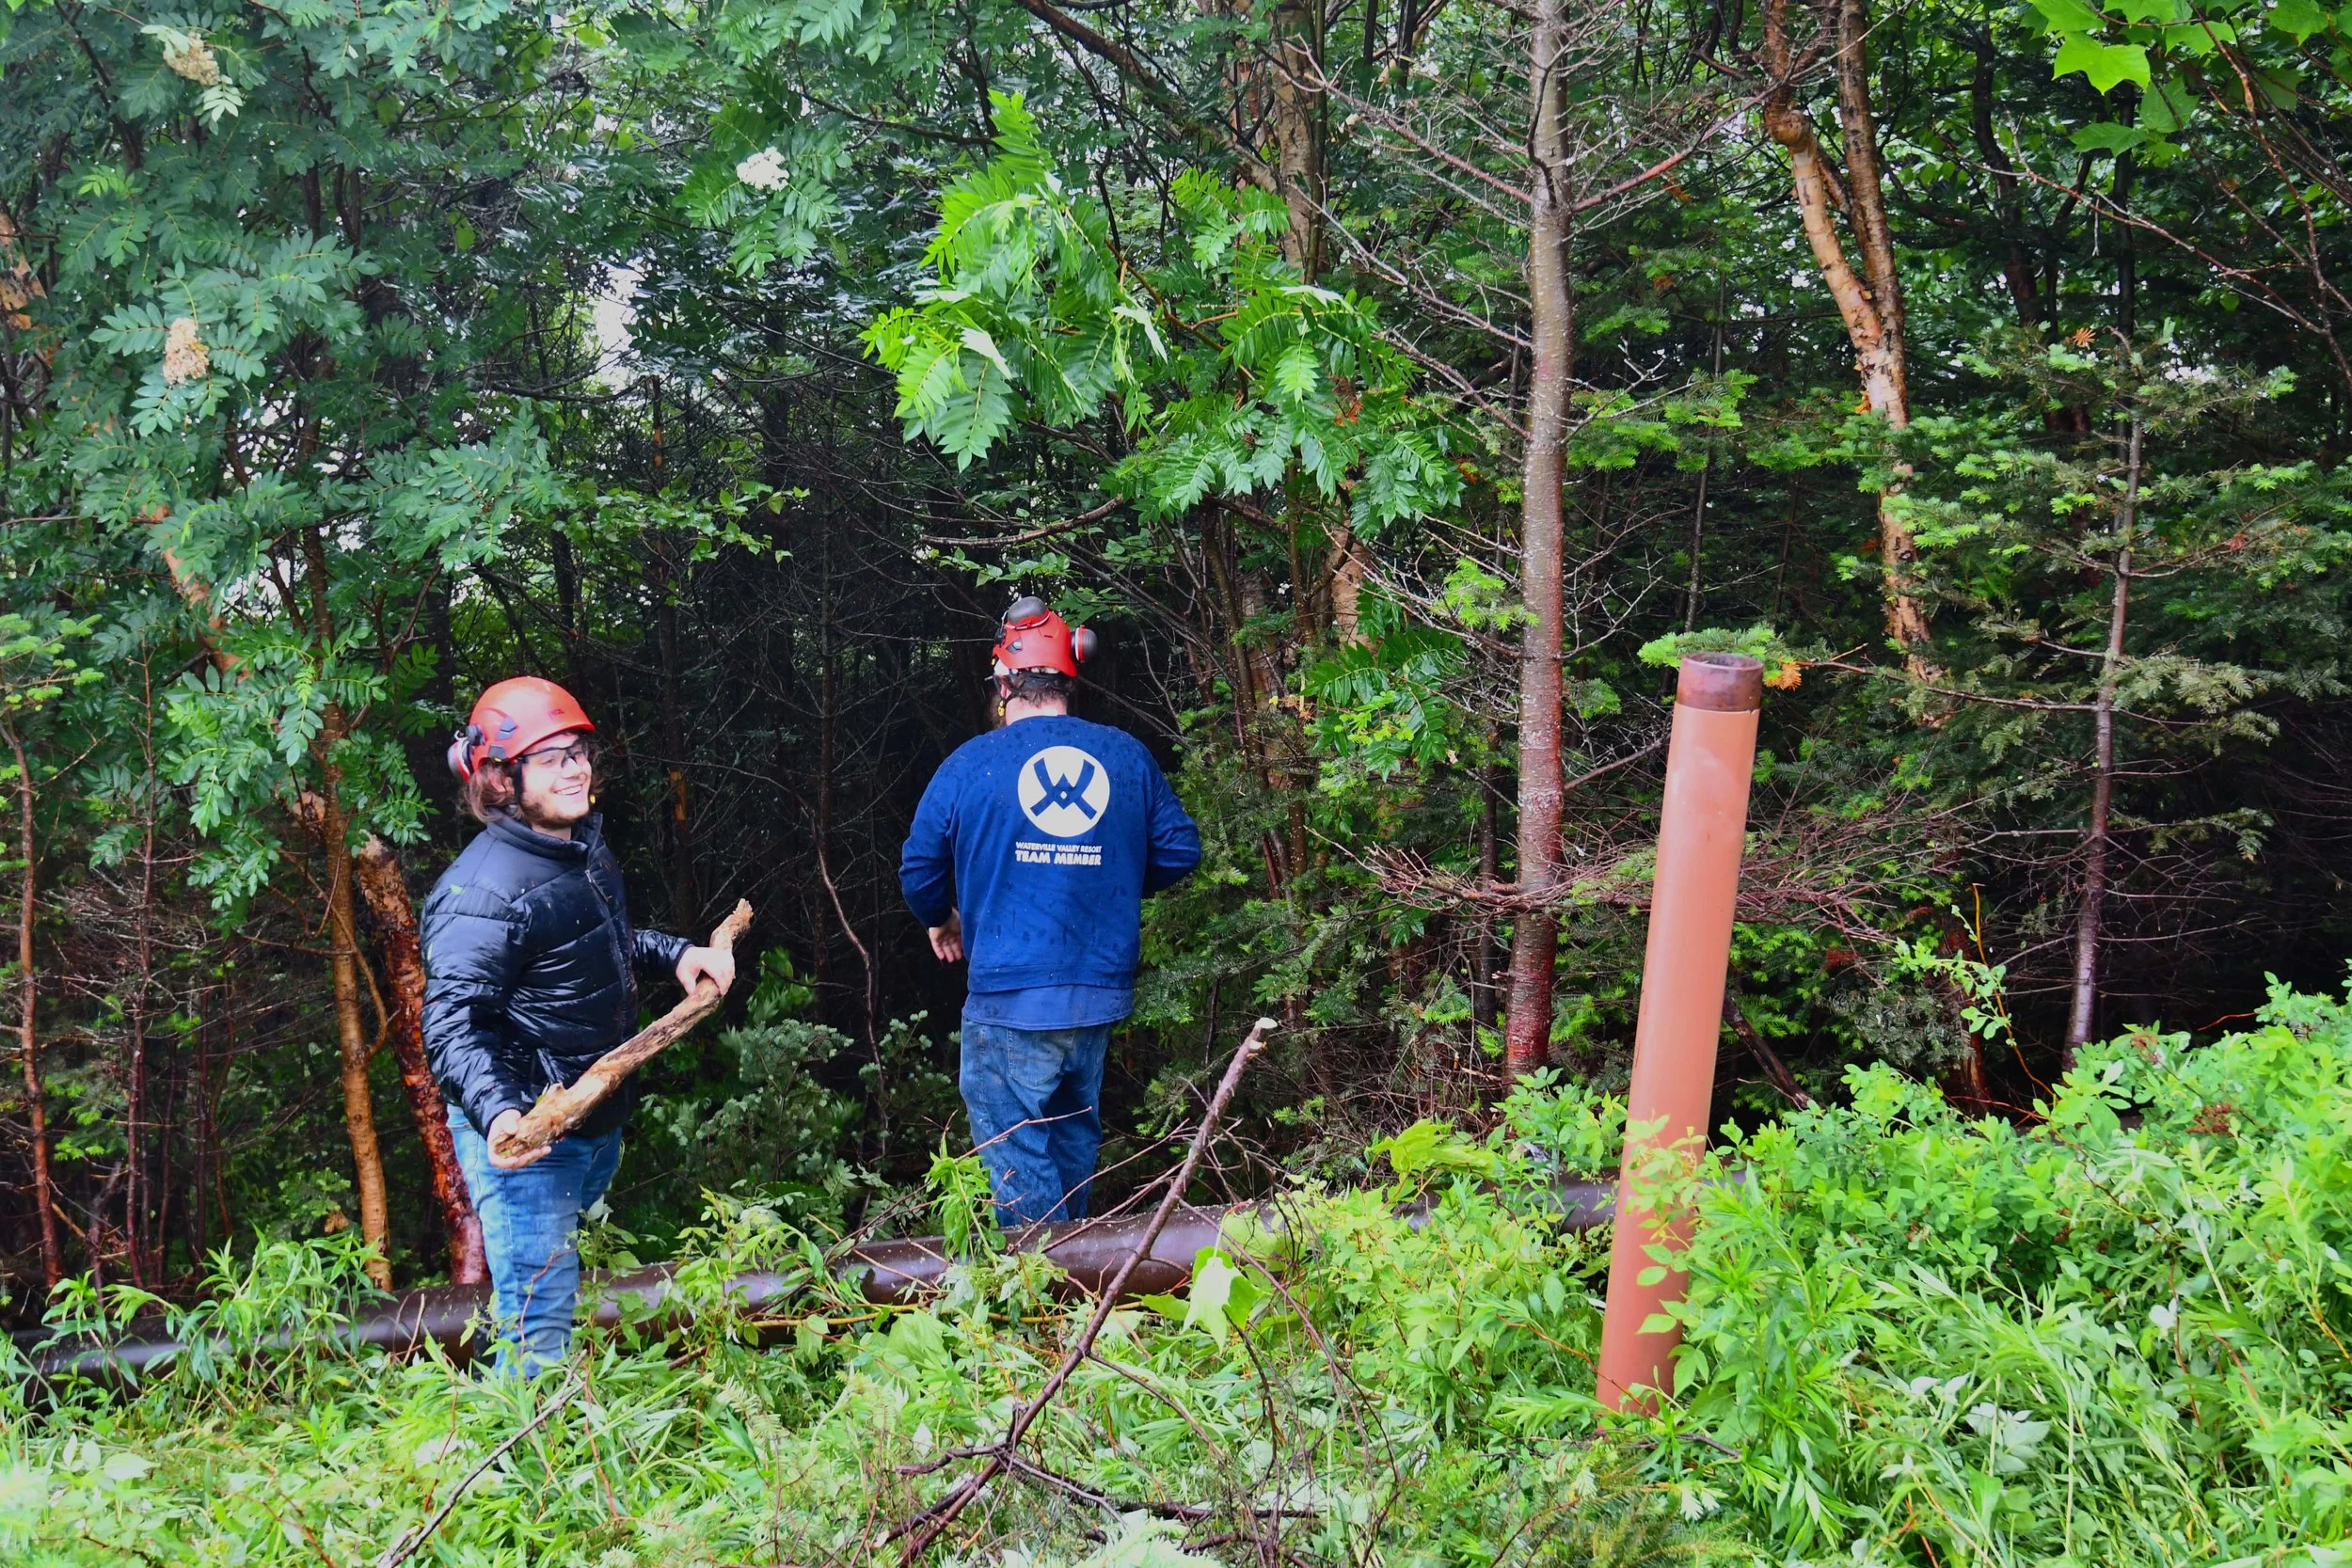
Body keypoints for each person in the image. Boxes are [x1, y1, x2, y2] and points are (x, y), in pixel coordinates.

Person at [421, 676, 735, 1373]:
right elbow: (451, 1025)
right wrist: (501, 1111)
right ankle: (517, 1469)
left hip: (593, 1123)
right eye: (552, 757)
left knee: (544, 1301)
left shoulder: (579, 847)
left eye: (578, 752)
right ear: (501, 780)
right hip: (530, 1139)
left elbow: (598, 941)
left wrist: (679, 954)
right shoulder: (479, 893)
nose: (577, 768)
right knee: (536, 1332)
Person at [899, 598, 1201, 1226]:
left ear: (1004, 682)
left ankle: (1049, 1297)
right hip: (1096, 997)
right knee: (1068, 1148)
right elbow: (1180, 850)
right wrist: (1103, 877)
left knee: (1020, 1168)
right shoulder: (1124, 756)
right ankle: (1082, 1290)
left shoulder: (970, 765)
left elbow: (918, 873)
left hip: (1009, 1000)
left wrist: (943, 917)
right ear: (1070, 676)